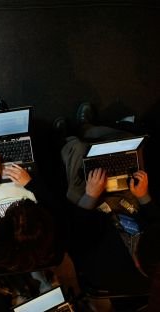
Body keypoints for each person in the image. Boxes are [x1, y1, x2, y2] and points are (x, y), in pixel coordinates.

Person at [0, 102, 65, 300]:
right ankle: (10, 129)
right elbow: (56, 205)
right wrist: (31, 183)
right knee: (30, 159)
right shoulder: (54, 243)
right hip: (25, 186)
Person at [56, 102, 160, 295]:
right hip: (130, 204)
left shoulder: (105, 269)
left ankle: (68, 139)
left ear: (137, 261)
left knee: (79, 152)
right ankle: (88, 129)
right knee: (132, 147)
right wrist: (144, 195)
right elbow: (154, 219)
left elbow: (76, 236)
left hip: (90, 212)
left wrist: (91, 196)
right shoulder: (155, 245)